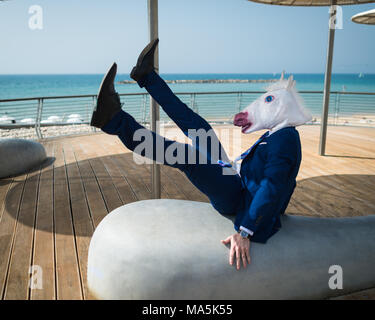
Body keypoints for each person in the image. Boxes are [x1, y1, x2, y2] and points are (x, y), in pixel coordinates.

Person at [90, 39, 311, 270]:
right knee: (198, 127)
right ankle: (147, 77)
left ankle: (114, 120)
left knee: (185, 157)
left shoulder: (285, 139)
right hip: (235, 177)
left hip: (237, 198)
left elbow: (272, 186)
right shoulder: (280, 133)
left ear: (282, 109)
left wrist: (245, 231)